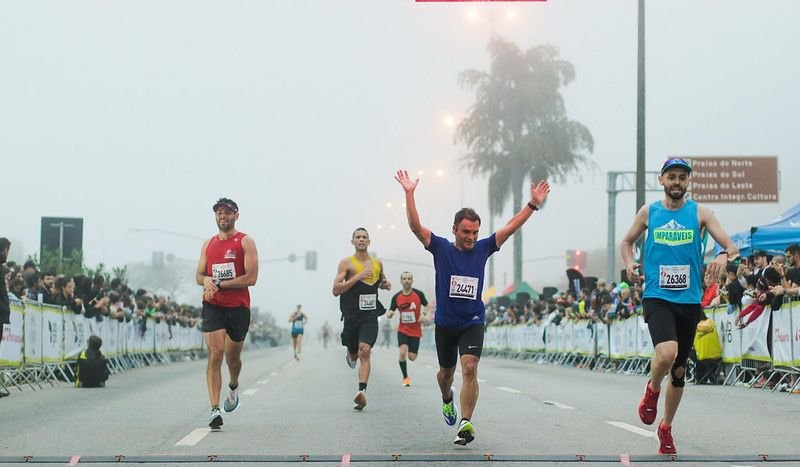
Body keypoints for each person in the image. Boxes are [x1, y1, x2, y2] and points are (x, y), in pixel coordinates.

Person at [395, 169, 550, 445]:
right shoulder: (441, 247)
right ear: (454, 229)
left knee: (469, 368)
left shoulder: (484, 247)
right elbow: (416, 228)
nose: (471, 237)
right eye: (466, 232)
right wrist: (409, 194)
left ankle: (466, 423)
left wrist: (532, 205)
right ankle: (446, 399)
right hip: (445, 324)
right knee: (446, 374)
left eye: (475, 232)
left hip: (472, 321)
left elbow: (511, 226)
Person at [619, 158, 738, 455]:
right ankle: (652, 390)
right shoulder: (649, 212)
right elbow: (627, 242)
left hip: (688, 299)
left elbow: (731, 246)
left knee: (680, 370)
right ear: (661, 180)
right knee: (666, 353)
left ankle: (666, 428)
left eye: (682, 177)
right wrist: (629, 262)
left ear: (687, 183)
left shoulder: (700, 213)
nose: (676, 182)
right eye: (671, 176)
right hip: (657, 295)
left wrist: (722, 257)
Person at [195, 197, 259, 430]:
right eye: (219, 213)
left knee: (232, 358)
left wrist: (221, 284)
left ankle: (233, 385)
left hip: (238, 307)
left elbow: (251, 278)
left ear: (236, 215)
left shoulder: (245, 242)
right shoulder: (208, 244)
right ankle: (214, 410)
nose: (223, 216)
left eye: (227, 213)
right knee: (215, 353)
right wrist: (208, 281)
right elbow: (199, 275)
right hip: (213, 305)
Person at [332, 227, 391, 411]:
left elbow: (380, 281)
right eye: (358, 237)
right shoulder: (346, 264)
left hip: (370, 315)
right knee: (354, 353)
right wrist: (357, 277)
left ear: (369, 241)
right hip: (351, 316)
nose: (361, 239)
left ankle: (362, 392)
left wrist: (384, 284)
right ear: (353, 242)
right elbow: (335, 290)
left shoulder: (377, 263)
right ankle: (350, 355)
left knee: (365, 351)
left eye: (364, 237)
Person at [387, 271, 430, 387]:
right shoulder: (396, 297)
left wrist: (423, 314)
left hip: (415, 330)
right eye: (404, 278)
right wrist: (389, 313)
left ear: (412, 281)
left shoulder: (418, 294)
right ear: (401, 281)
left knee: (412, 357)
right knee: (402, 352)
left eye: (409, 278)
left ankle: (412, 355)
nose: (407, 280)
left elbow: (427, 305)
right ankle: (405, 377)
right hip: (403, 329)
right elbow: (391, 310)